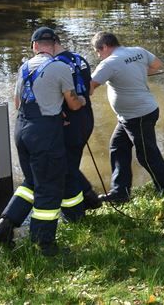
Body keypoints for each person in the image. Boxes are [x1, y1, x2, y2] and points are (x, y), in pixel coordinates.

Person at [0, 27, 86, 255]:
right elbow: (72, 103)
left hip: (22, 130)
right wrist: (79, 100)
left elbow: (17, 102)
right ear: (54, 45)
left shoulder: (23, 68)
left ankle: (4, 226)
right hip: (45, 135)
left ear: (34, 46)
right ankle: (44, 245)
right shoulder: (60, 66)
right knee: (50, 187)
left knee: (32, 181)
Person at [90, 31, 164, 203]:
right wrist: (135, 74)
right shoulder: (138, 51)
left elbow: (90, 86)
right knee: (117, 147)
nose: (98, 56)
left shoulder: (109, 63)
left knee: (147, 155)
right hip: (137, 113)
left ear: (105, 47)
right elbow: (157, 64)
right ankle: (120, 192)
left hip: (138, 116)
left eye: (98, 52)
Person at [55, 39, 102, 220]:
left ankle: (82, 206)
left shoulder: (56, 64)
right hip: (86, 119)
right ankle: (88, 200)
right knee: (69, 163)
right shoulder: (80, 59)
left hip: (71, 121)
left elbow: (68, 98)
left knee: (66, 166)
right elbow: (89, 90)